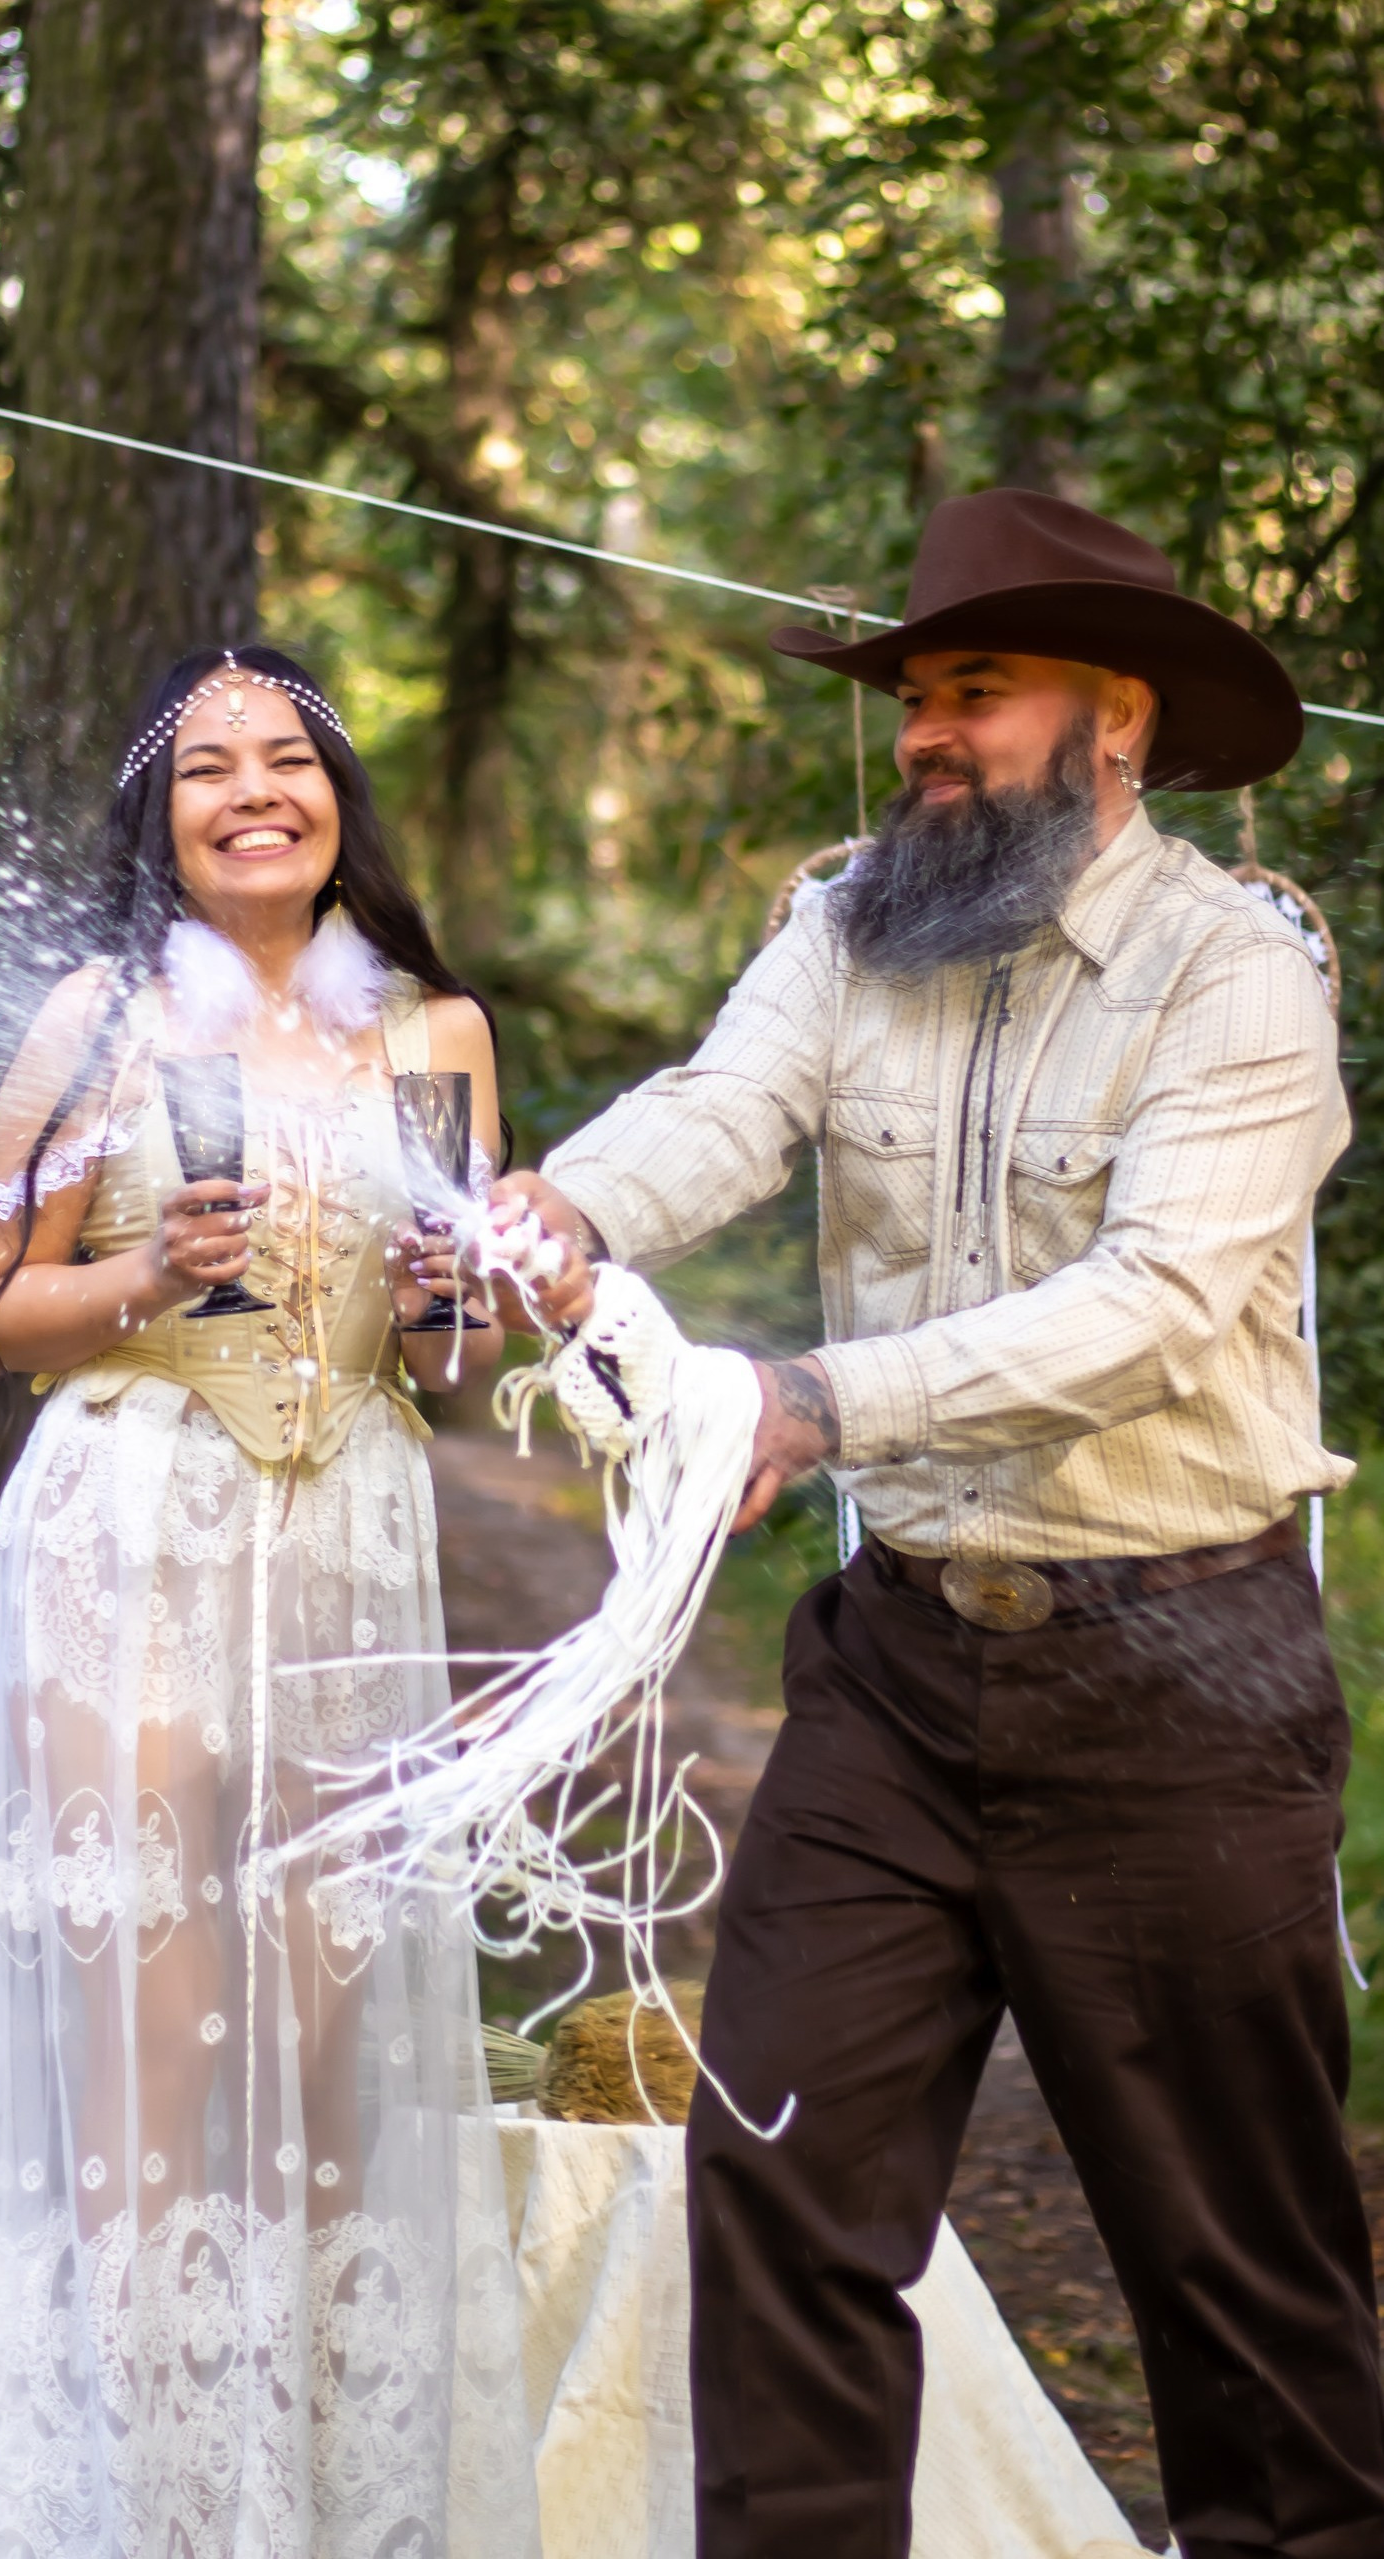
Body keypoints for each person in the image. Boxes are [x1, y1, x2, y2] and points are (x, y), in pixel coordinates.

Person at [502, 490, 1384, 2559]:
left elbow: (1153, 1303)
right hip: (894, 1681)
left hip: (1180, 1682)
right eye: (911, 691)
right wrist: (565, 1203)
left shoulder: (1236, 977)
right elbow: (724, 1103)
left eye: (971, 691)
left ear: (1116, 726)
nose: (921, 730)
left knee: (1234, 2282)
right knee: (779, 2188)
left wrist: (813, 1402)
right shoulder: (843, 921)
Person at [0, 644, 538, 2559]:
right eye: (211, 769)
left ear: (340, 804)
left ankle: (312, 2498)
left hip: (353, 1535)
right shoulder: (92, 1016)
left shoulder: (437, 1033)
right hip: (134, 1530)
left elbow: (444, 1359)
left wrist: (464, 1301)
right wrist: (141, 1278)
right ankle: (152, 2505)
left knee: (323, 2032)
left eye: (291, 759)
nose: (256, 790)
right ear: (165, 817)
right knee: (156, 2017)